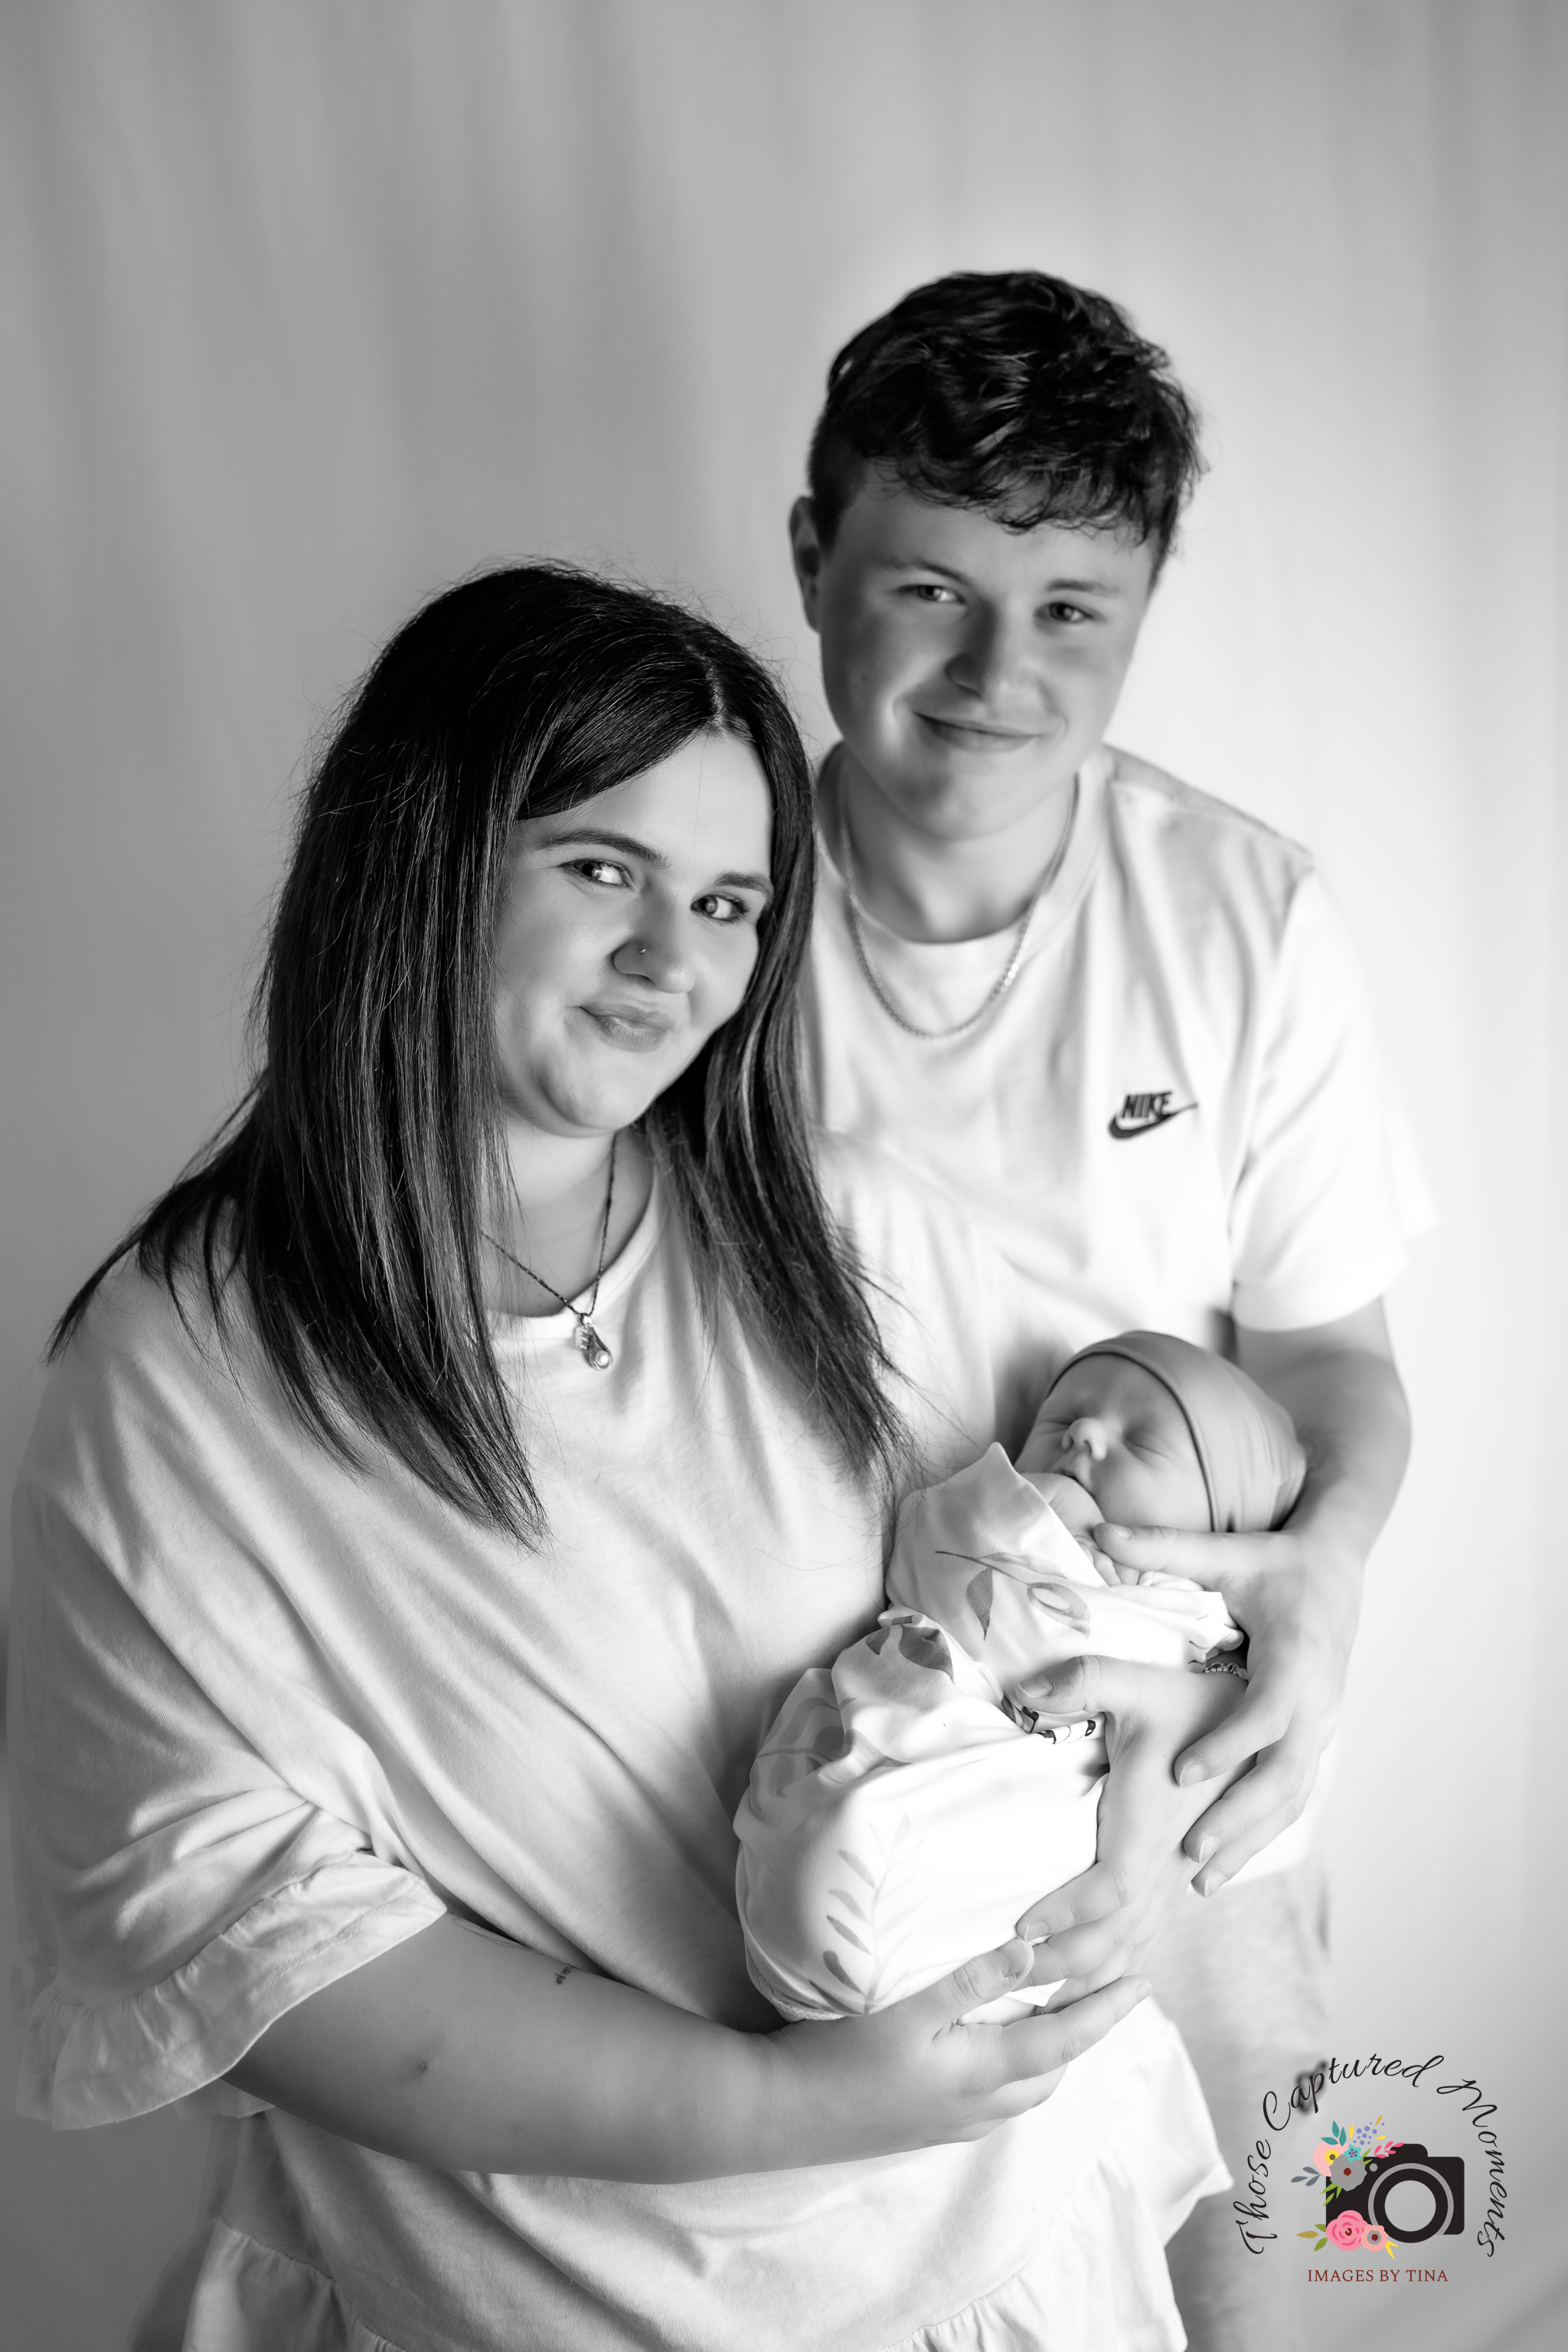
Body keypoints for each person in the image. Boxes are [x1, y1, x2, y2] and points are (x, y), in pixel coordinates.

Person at [9, 564, 1239, 2352]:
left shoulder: (857, 1228)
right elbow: (235, 1927)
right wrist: (790, 2105)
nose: (676, 959)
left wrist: (1144, 1824)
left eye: (729, 901)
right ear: (422, 857)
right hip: (554, 2302)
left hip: (999, 2247)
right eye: (603, 869)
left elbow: (1128, 1597)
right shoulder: (179, 1380)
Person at [788, 269, 1423, 2348]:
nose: (1000, 672)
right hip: (848, 1743)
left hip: (1177, 1716)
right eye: (931, 590)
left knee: (1278, 2266)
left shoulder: (1242, 912)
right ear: (812, 560)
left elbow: (1331, 1359)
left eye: (1071, 607)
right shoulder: (710, 910)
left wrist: (1324, 1570)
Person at [736, 1334, 1302, 2029]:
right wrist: (1032, 1521)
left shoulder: (1206, 1631)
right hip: (846, 1809)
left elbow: (1215, 1718)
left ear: (1222, 1536)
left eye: (1142, 1442)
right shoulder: (981, 1508)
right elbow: (939, 1554)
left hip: (1001, 1910)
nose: (1085, 1432)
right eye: (1061, 1419)